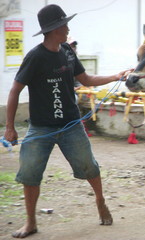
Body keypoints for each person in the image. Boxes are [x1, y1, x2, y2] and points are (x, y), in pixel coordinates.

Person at [4, 4, 131, 238]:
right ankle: (30, 222)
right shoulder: (35, 57)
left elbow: (87, 79)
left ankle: (100, 201)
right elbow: (14, 90)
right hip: (41, 126)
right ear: (53, 29)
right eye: (64, 24)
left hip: (71, 125)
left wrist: (116, 75)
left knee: (88, 166)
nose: (67, 28)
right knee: (30, 172)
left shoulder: (68, 51)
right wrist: (10, 128)